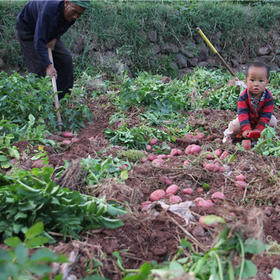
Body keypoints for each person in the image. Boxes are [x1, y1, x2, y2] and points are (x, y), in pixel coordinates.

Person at [16, 0, 90, 99]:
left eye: (79, 14)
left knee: (65, 60)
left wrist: (55, 38)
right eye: (74, 12)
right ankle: (40, 104)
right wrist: (48, 65)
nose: (75, 16)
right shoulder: (49, 9)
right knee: (39, 69)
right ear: (66, 3)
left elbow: (66, 24)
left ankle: (62, 99)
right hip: (29, 30)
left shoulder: (72, 14)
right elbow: (39, 41)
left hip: (48, 30)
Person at [223, 61, 277, 148]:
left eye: (261, 81)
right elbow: (242, 114)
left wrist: (258, 129)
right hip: (246, 120)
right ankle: (228, 136)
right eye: (252, 80)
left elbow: (266, 115)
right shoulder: (243, 96)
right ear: (246, 81)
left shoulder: (268, 97)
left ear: (267, 82)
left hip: (260, 120)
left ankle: (262, 138)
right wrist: (246, 129)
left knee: (273, 121)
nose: (256, 84)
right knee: (235, 125)